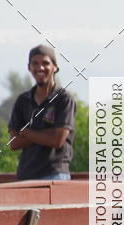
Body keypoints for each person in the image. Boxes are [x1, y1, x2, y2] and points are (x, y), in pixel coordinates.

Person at [8, 45, 76, 181]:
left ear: (55, 67)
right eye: (35, 63)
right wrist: (47, 134)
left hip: (55, 174)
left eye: (45, 63)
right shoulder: (23, 100)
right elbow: (13, 143)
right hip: (25, 175)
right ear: (29, 67)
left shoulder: (64, 98)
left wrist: (27, 133)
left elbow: (58, 140)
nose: (40, 68)